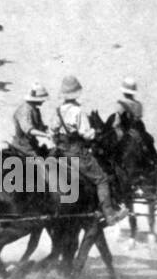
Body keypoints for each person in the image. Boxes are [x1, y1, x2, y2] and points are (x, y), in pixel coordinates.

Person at [53, 75, 127, 225]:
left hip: (59, 151)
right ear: (76, 94)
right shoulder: (78, 111)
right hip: (76, 152)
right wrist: (93, 133)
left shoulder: (58, 111)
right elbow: (86, 134)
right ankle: (110, 214)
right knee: (101, 179)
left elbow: (52, 131)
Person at [8, 83, 52, 156]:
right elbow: (29, 130)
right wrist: (46, 135)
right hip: (22, 147)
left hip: (31, 144)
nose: (43, 101)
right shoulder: (25, 110)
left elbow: (40, 127)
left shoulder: (34, 109)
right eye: (42, 99)